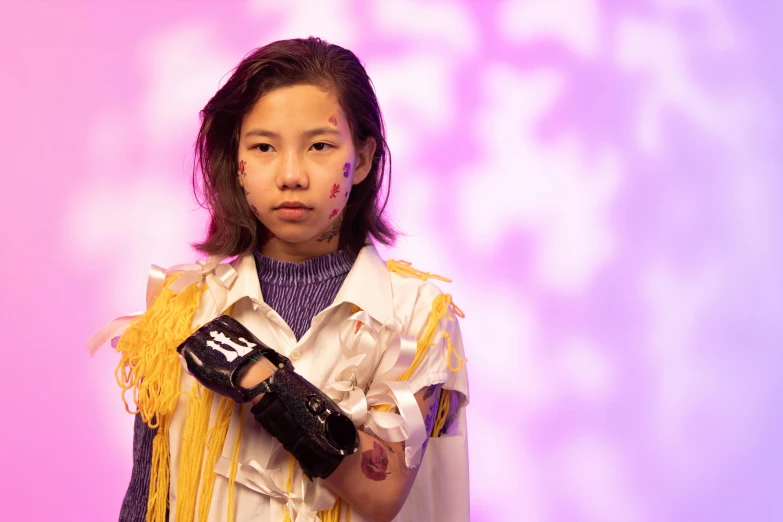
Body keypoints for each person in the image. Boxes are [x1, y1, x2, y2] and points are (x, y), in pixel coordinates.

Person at [88, 37, 469, 522]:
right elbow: (147, 498)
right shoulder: (179, 309)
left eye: (320, 146)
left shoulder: (418, 315)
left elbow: (383, 490)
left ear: (365, 158)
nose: (291, 174)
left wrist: (263, 378)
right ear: (237, 161)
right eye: (264, 146)